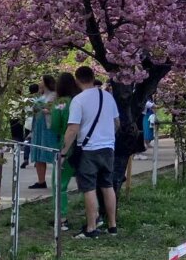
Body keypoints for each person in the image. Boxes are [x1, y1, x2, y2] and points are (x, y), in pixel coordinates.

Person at [58, 66, 120, 239]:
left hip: (88, 149)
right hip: (108, 148)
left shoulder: (79, 100)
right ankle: (112, 226)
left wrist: (62, 152)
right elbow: (117, 123)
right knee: (107, 186)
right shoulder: (108, 97)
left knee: (89, 188)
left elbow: (73, 128)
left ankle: (91, 228)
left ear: (77, 80)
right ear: (93, 77)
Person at [50, 72, 80, 231]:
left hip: (64, 143)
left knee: (59, 183)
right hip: (83, 144)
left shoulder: (60, 103)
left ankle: (61, 218)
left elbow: (55, 124)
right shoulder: (79, 100)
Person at [29, 75, 57, 189]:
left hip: (48, 127)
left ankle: (58, 181)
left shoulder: (54, 95)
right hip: (38, 126)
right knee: (38, 154)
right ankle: (41, 181)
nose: (39, 82)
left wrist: (45, 110)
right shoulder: (41, 95)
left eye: (41, 80)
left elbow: (57, 109)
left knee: (52, 152)